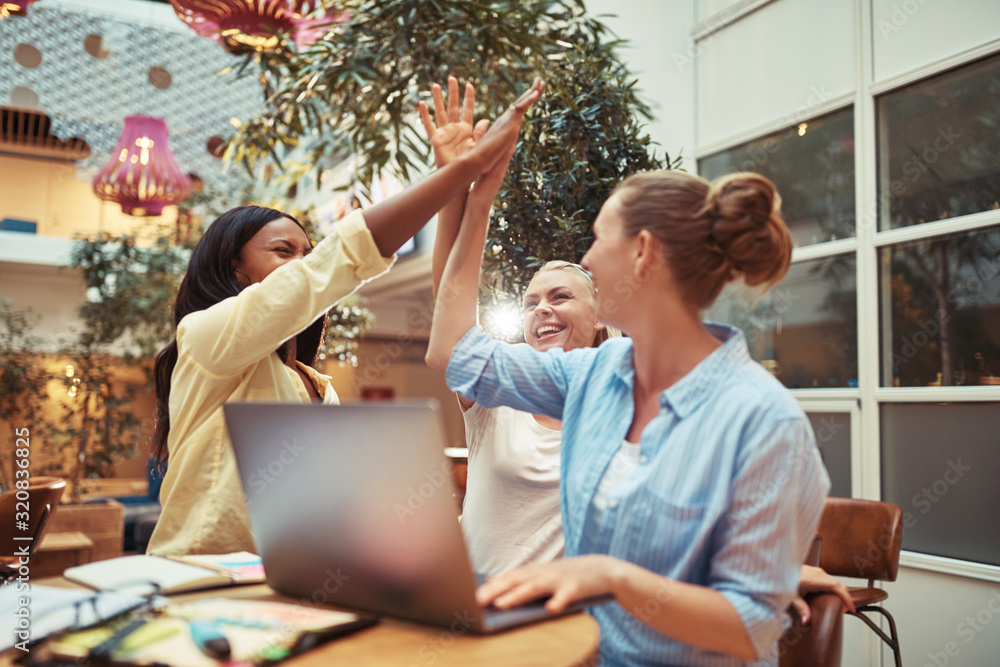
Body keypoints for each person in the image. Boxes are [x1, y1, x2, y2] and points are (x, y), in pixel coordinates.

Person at [427, 163, 834, 664]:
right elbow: (452, 355)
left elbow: (750, 627)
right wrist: (477, 198)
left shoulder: (765, 422)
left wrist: (610, 578)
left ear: (642, 252)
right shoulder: (593, 375)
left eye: (599, 238)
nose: (588, 258)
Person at [145, 77, 546, 556]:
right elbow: (333, 264)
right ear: (235, 269)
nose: (300, 263)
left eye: (306, 252)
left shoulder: (316, 387)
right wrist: (459, 175)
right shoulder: (206, 337)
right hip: (196, 582)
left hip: (278, 589)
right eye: (282, 252)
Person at [420, 77, 613, 575]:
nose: (541, 309)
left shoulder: (624, 393)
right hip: (476, 615)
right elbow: (449, 306)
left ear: (601, 319)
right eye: (530, 303)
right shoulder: (500, 391)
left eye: (560, 297)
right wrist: (455, 184)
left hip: (566, 630)